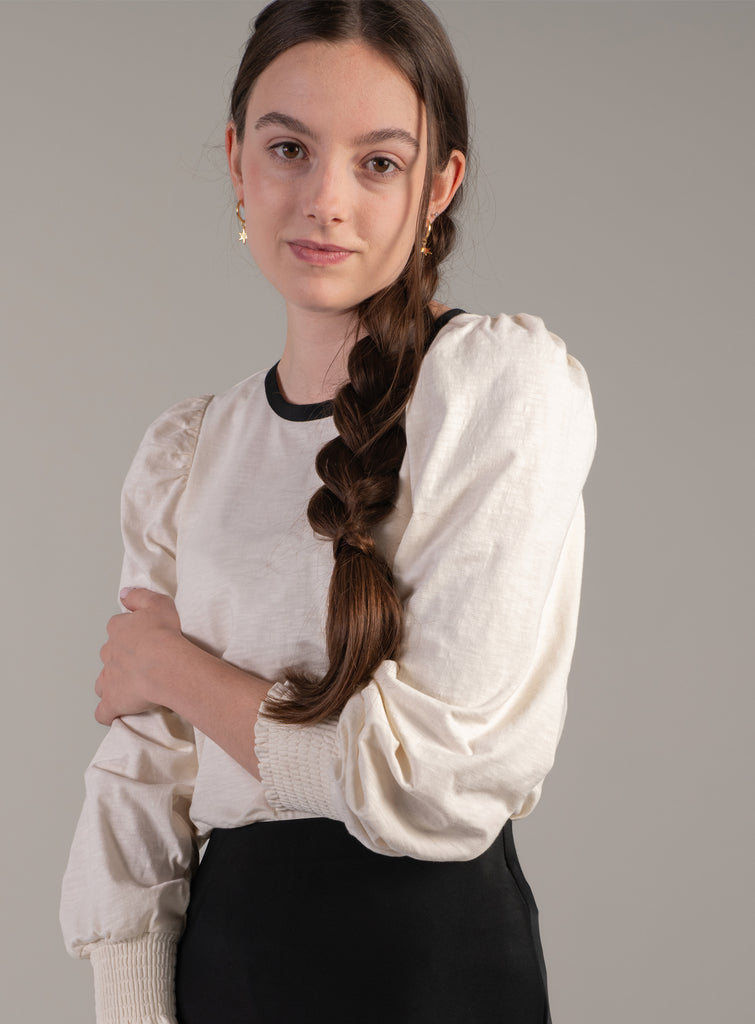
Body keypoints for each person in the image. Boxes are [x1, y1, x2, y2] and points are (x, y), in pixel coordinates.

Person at [60, 1, 596, 1022]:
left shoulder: (497, 390)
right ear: (236, 163)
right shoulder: (188, 452)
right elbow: (138, 782)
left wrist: (174, 668)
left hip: (435, 968)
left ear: (441, 183)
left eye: (379, 163)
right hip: (227, 968)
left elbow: (432, 778)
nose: (325, 201)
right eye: (289, 149)